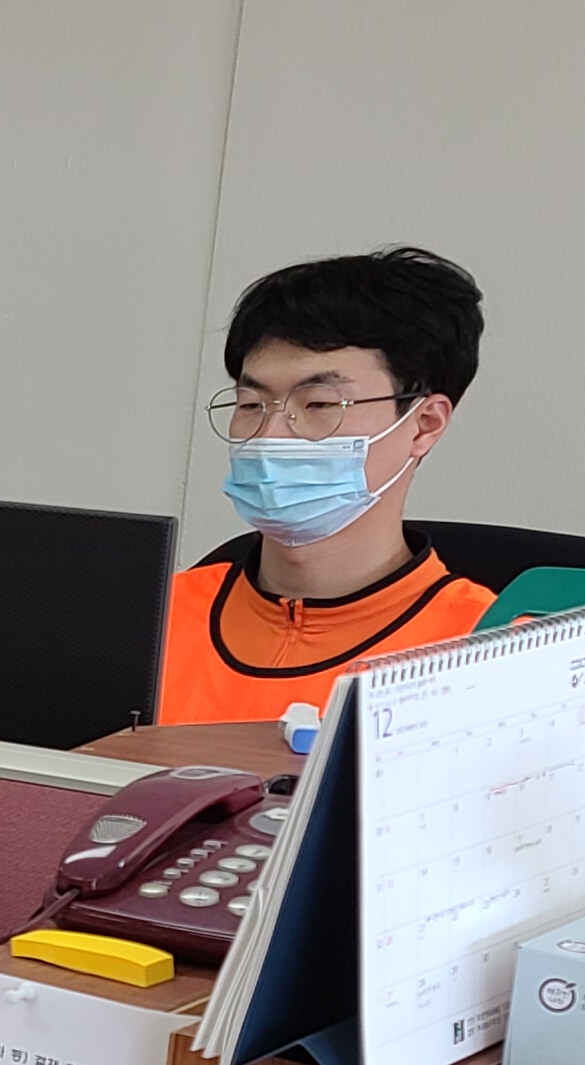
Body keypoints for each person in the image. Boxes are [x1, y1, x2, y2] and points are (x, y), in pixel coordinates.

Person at [159, 247, 500, 726]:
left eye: (319, 404)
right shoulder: (147, 617)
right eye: (251, 404)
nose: (271, 435)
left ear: (424, 424)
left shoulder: (497, 654)